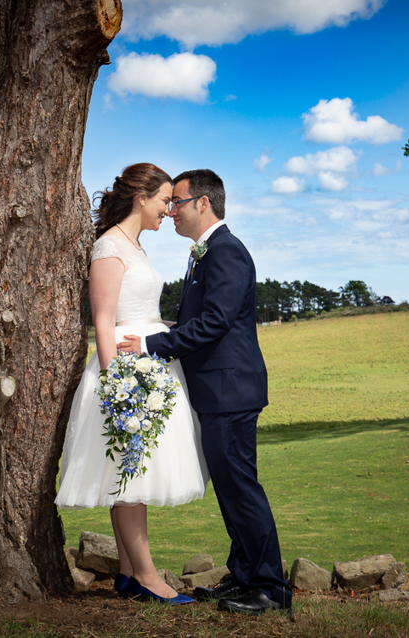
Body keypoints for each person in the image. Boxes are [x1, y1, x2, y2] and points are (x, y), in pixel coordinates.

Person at [119, 169, 292, 615]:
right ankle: (246, 577)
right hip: (218, 392)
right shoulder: (207, 253)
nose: (170, 210)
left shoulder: (226, 252)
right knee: (231, 490)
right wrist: (164, 328)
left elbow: (215, 323)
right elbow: (208, 320)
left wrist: (150, 345)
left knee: (241, 489)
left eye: (177, 202)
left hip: (231, 391)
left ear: (202, 203)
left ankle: (271, 589)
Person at [55, 163, 208, 605]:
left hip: (146, 361)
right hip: (124, 372)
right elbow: (103, 320)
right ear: (141, 199)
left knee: (130, 471)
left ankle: (126, 572)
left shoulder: (134, 245)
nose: (169, 210)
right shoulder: (108, 248)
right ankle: (146, 575)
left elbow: (135, 308)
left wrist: (167, 326)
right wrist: (115, 386)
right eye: (164, 200)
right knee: (131, 473)